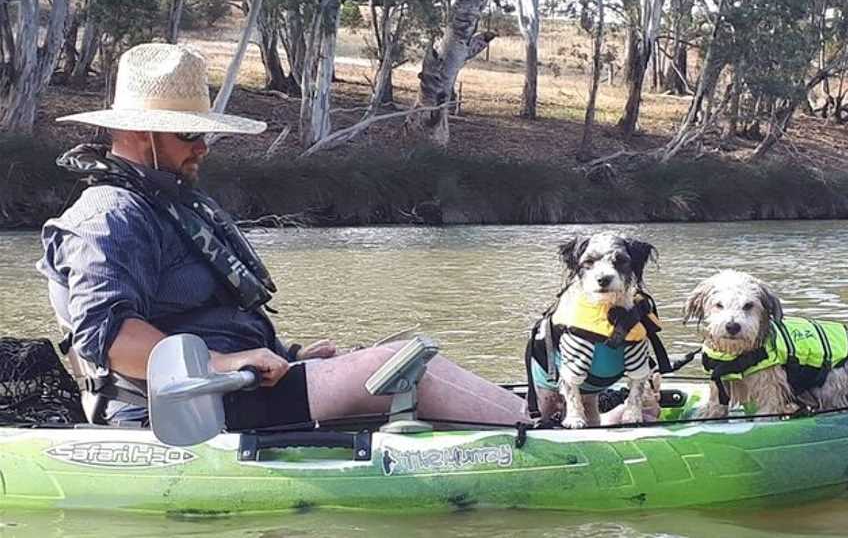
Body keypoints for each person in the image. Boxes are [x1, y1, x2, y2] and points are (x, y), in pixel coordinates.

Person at [37, 43, 528, 428]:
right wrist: (230, 364)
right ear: (141, 133)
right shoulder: (109, 214)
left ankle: (539, 423)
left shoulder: (170, 201)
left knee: (406, 358)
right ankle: (557, 438)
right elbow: (112, 340)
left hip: (234, 390)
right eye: (189, 134)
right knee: (407, 368)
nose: (204, 146)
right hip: (176, 413)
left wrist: (288, 355)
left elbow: (213, 315)